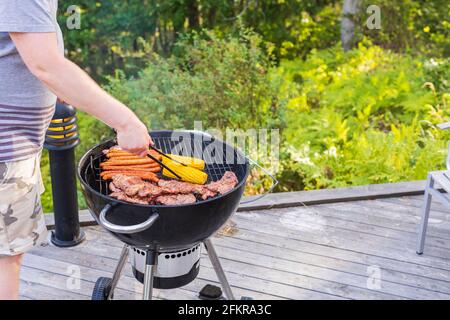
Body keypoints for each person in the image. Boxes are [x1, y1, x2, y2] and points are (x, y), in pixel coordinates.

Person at [0, 0, 152, 299]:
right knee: (7, 256)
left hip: (14, 144)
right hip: (7, 148)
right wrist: (126, 122)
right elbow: (46, 66)